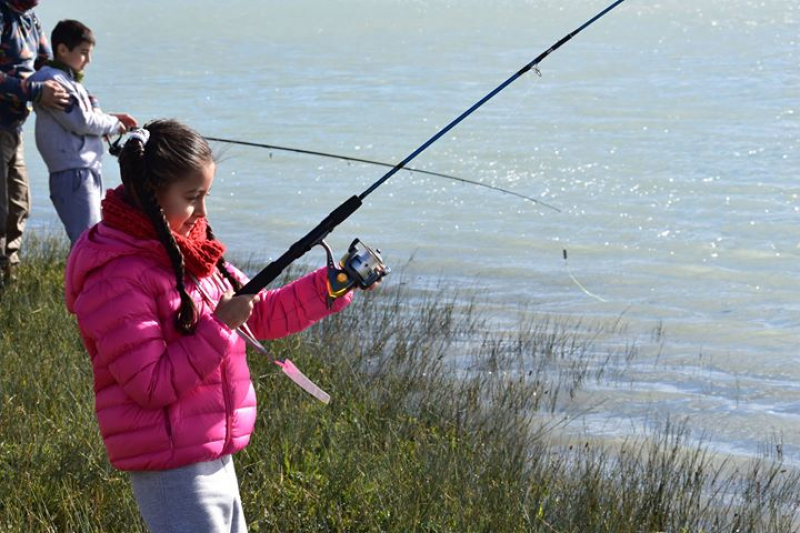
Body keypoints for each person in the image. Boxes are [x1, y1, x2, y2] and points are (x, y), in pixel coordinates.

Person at [65, 119, 380, 532]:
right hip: (170, 464)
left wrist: (333, 285)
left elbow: (259, 312)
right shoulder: (116, 278)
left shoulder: (190, 251)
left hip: (211, 450)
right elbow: (150, 383)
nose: (203, 212)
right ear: (149, 194)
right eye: (192, 197)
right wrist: (219, 327)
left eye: (206, 195)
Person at [29, 19, 137, 245]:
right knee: (87, 241)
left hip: (85, 169)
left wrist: (113, 118)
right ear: (62, 50)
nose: (88, 60)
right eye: (84, 53)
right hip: (73, 173)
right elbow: (81, 121)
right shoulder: (51, 80)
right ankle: (79, 280)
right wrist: (115, 125)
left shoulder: (68, 80)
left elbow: (84, 118)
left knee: (95, 236)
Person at [0, 0, 69, 285]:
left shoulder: (30, 18)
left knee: (19, 204)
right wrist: (34, 91)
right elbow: (33, 83)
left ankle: (9, 276)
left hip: (14, 127)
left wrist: (78, 97)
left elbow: (45, 64)